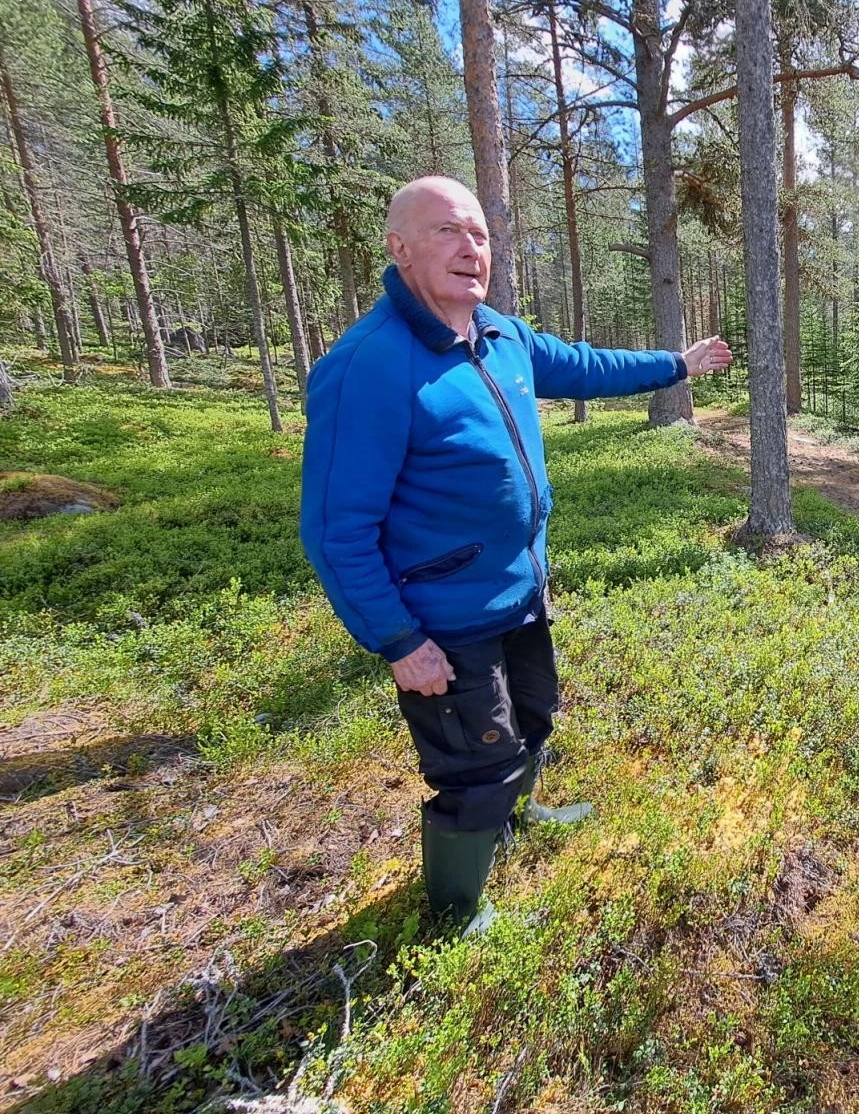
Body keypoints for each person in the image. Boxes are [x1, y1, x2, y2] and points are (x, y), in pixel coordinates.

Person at [300, 176, 732, 932]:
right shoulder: (369, 365)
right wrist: (399, 642)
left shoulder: (499, 335)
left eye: (480, 234)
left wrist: (677, 364)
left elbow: (585, 366)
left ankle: (517, 817)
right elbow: (336, 530)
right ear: (399, 248)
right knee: (476, 767)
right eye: (447, 231)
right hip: (445, 621)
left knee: (532, 718)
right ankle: (456, 914)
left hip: (520, 595)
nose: (471, 248)